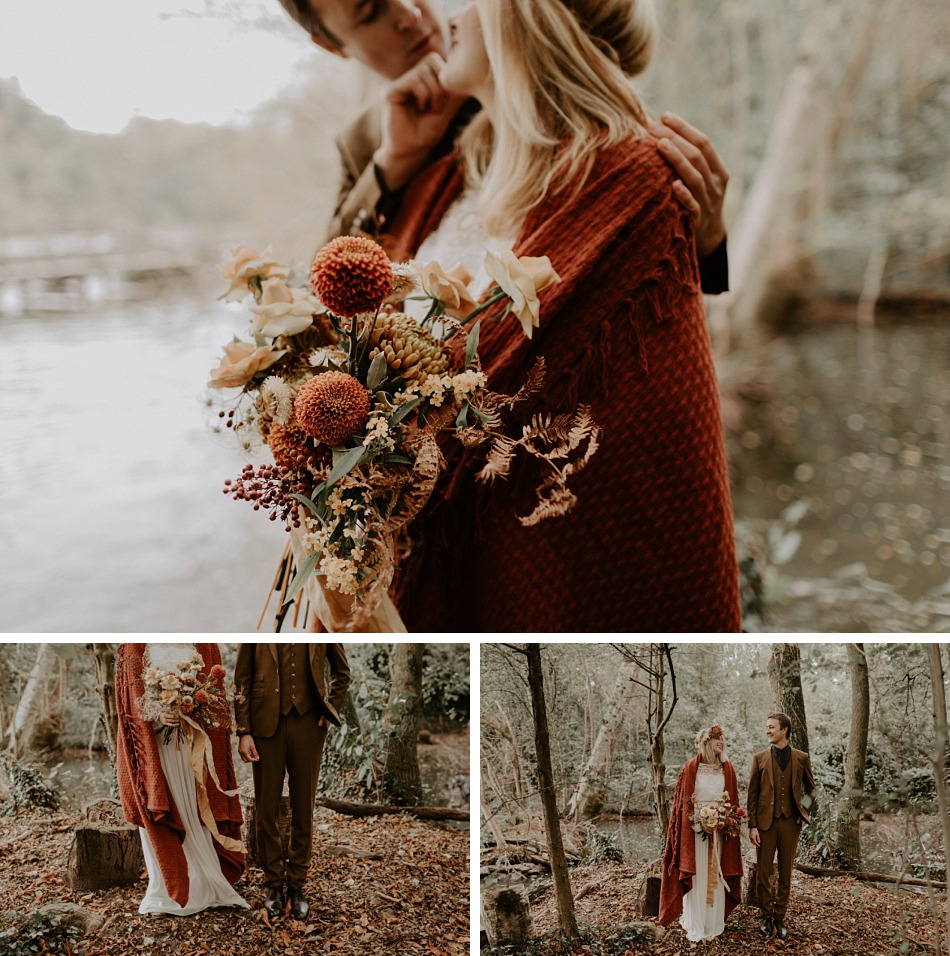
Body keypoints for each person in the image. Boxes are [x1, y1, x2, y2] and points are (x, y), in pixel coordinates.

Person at [360, 0, 742, 631]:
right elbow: (350, 299)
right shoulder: (443, 163)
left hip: (526, 551)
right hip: (393, 534)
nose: (448, 13)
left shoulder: (631, 176)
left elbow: (639, 422)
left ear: (521, 16)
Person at [274, 0, 731, 295]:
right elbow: (324, 285)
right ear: (333, 47)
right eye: (371, 10)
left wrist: (705, 242)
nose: (410, 13)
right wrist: (394, 161)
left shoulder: (526, 34)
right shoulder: (365, 140)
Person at [115, 643, 248, 916]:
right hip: (156, 746)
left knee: (195, 806)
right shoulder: (135, 642)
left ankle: (205, 883)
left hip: (192, 739)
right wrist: (156, 714)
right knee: (163, 803)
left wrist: (192, 706)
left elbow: (213, 689)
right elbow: (130, 694)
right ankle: (166, 887)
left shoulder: (204, 640)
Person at [234, 644, 350, 920]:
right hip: (264, 727)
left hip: (309, 724)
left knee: (303, 808)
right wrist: (244, 731)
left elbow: (342, 672)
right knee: (266, 810)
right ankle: (274, 884)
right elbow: (242, 679)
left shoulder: (320, 628)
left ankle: (297, 884)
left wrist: (330, 709)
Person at [659, 725, 743, 941]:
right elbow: (683, 803)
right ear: (706, 742)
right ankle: (697, 925)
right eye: (717, 739)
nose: (721, 742)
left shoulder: (728, 768)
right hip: (695, 830)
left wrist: (722, 820)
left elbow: (732, 801)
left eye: (723, 739)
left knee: (716, 872)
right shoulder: (690, 768)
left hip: (720, 831)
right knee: (698, 874)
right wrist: (701, 820)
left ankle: (713, 924)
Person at [747, 712, 815, 941]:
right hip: (765, 824)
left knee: (786, 872)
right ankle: (766, 917)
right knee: (763, 873)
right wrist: (752, 825)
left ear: (784, 729)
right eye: (766, 727)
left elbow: (811, 790)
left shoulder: (801, 758)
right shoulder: (759, 758)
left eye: (771, 727)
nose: (767, 730)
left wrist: (803, 811)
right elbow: (753, 795)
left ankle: (780, 917)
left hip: (790, 824)